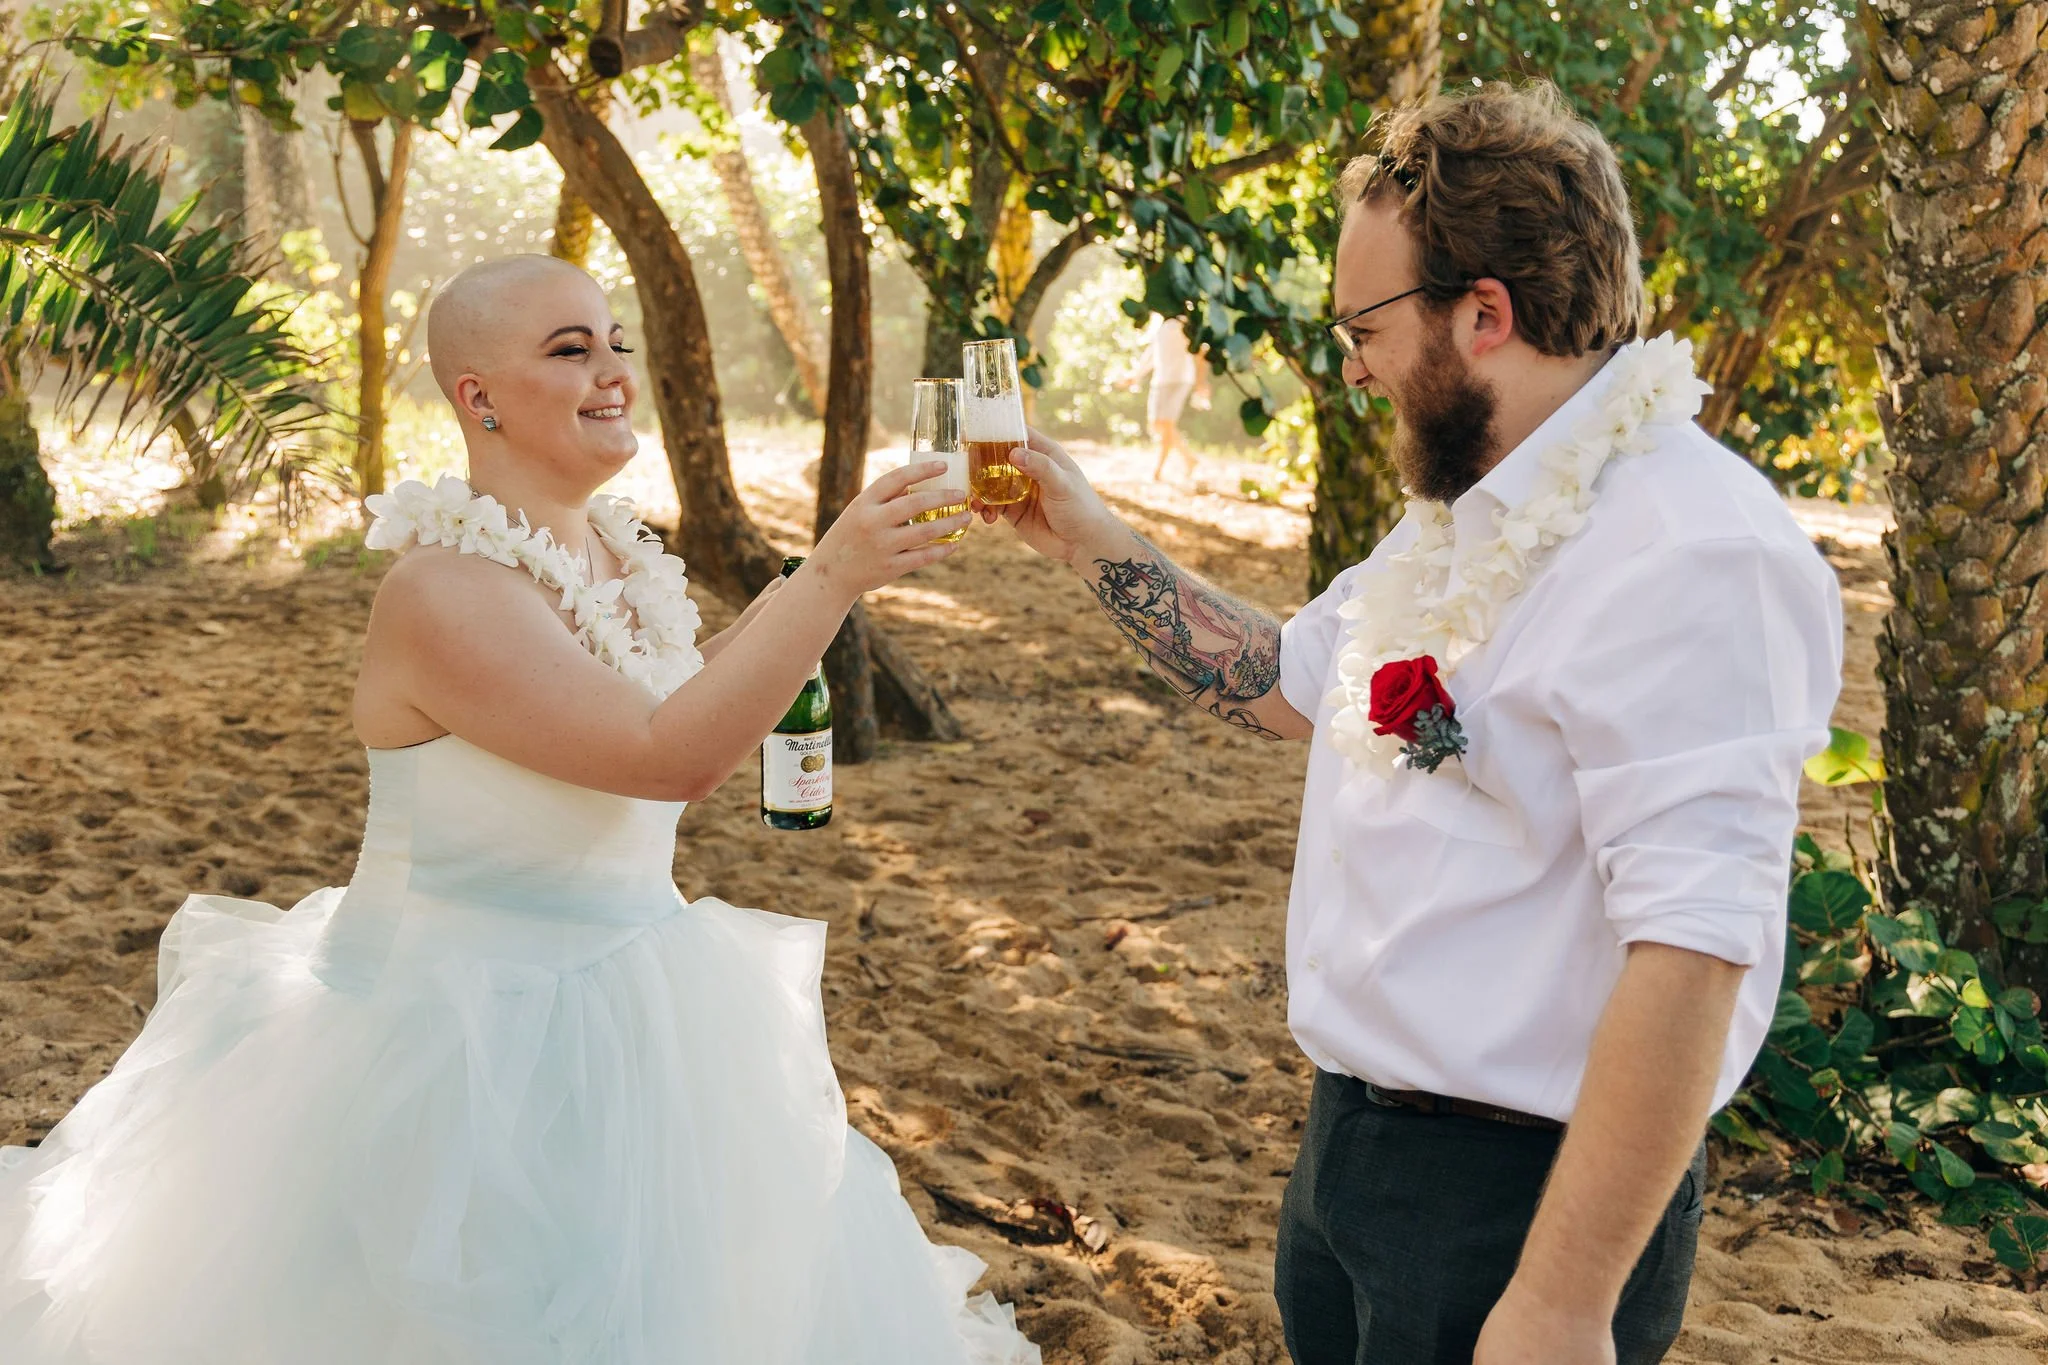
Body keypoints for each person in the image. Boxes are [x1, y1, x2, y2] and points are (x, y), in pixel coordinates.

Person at [0, 255, 1039, 1365]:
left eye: (613, 342)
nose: (611, 373)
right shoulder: (445, 590)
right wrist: (828, 579)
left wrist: (818, 580)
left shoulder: (606, 555)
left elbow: (683, 688)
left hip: (639, 999)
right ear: (476, 396)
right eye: (568, 349)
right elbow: (665, 754)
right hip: (445, 1036)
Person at [983, 83, 1841, 1364]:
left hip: (1516, 1206)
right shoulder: (1461, 506)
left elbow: (1694, 952)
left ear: (1481, 313)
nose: (1352, 359)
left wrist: (1555, 1307)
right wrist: (1090, 546)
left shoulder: (1694, 549)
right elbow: (1287, 680)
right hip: (1353, 1158)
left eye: (1362, 323)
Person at [1115, 315, 1211, 483]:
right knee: (1156, 424)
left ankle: (1158, 470)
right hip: (1161, 380)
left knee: (1167, 423)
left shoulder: (1183, 321)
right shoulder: (1158, 321)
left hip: (1180, 379)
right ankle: (1189, 459)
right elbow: (1154, 352)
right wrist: (1135, 376)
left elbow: (1199, 351)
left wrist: (1201, 382)